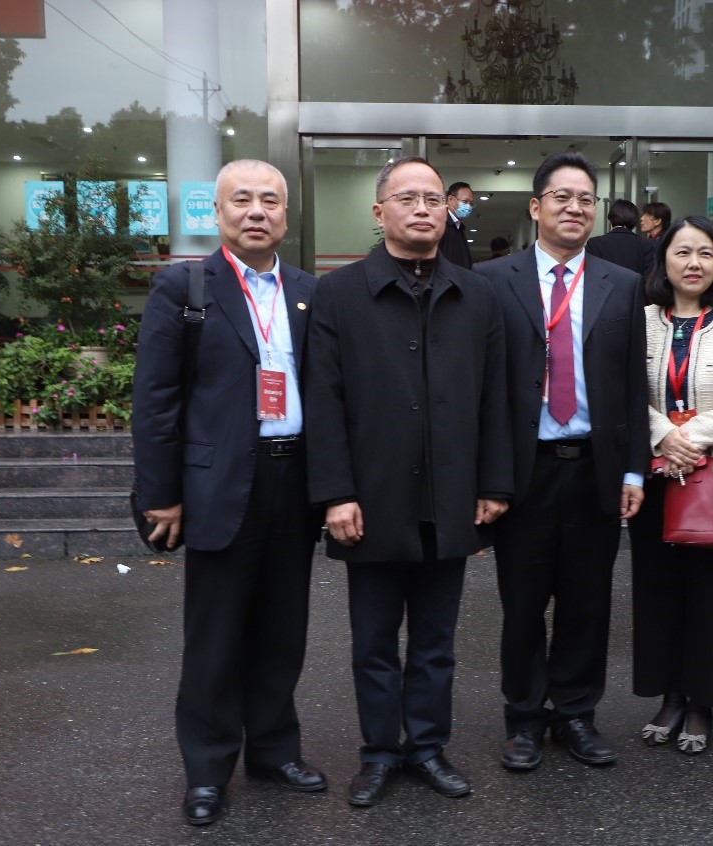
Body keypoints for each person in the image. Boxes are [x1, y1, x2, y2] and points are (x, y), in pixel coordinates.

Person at [304, 156, 513, 807]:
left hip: (450, 498)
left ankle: (426, 746)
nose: (422, 209)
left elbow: (496, 398)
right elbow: (323, 400)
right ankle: (377, 752)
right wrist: (335, 493)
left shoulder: (476, 295)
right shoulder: (340, 294)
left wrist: (494, 483)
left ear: (447, 211)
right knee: (372, 642)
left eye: (432, 199)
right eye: (407, 198)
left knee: (435, 642)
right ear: (379, 212)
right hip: (370, 500)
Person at [131, 159, 325, 827]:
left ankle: (274, 752)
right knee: (214, 638)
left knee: (283, 630)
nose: (256, 211)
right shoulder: (184, 287)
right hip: (217, 484)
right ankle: (208, 771)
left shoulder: (307, 291)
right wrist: (162, 494)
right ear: (216, 213)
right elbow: (155, 399)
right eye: (241, 200)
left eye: (270, 200)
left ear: (286, 215)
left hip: (292, 479)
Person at [476, 151, 649, 771]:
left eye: (584, 199)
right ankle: (524, 717)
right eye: (561, 197)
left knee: (587, 602)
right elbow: (482, 388)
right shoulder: (493, 280)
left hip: (594, 468)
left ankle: (576, 713)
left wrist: (634, 469)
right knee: (522, 603)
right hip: (524, 471)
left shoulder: (621, 284)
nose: (574, 208)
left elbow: (632, 386)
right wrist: (488, 477)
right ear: (536, 206)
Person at [629, 215, 713, 755]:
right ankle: (669, 695)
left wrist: (691, 437)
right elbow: (622, 389)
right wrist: (663, 435)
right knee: (658, 591)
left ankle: (703, 702)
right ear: (663, 260)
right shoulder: (639, 320)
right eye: (682, 252)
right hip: (656, 477)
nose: (694, 263)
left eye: (705, 253)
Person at [586, 198, 655, 276]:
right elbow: (649, 278)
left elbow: (589, 274)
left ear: (610, 219)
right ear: (635, 221)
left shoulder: (594, 244)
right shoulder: (646, 245)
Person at [438, 181, 476, 269]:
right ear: (450, 199)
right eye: (465, 201)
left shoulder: (459, 227)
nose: (468, 207)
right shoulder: (441, 225)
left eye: (471, 203)